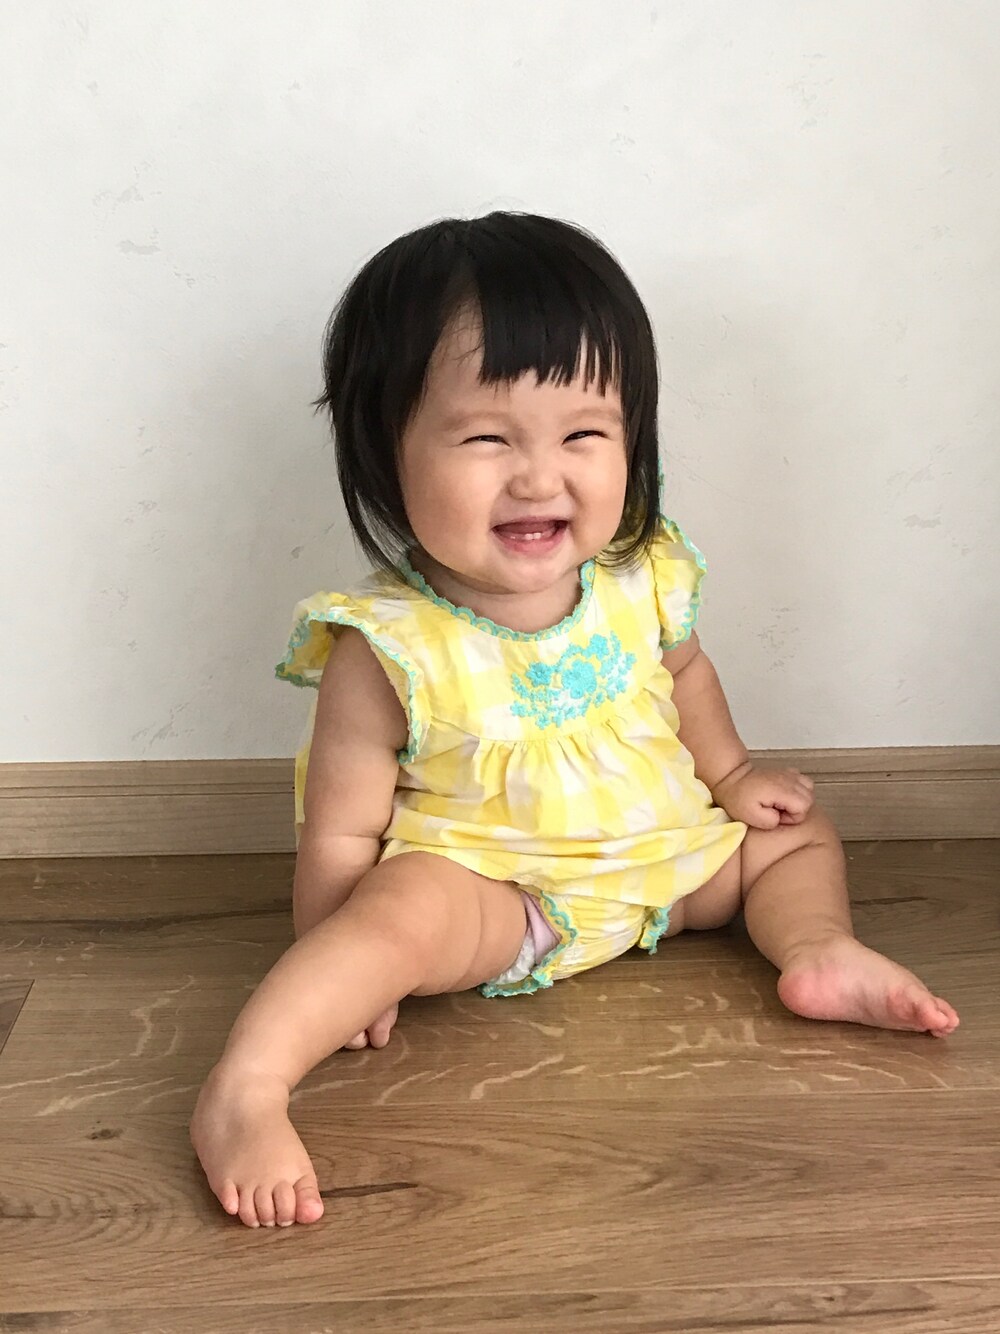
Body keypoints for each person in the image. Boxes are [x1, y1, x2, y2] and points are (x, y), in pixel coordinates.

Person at [191, 212, 959, 1229]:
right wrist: (347, 962)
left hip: (666, 861)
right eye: (486, 438)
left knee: (793, 833)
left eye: (583, 435)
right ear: (387, 451)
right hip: (498, 895)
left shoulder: (641, 572)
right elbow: (340, 829)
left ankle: (816, 947)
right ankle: (246, 1086)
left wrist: (732, 777)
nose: (538, 475)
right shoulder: (390, 645)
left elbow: (686, 674)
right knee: (394, 912)